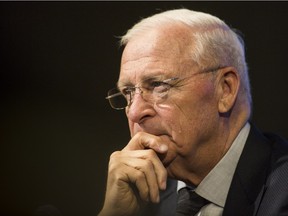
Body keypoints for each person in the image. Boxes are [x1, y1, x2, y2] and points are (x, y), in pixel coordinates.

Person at [99, 8, 288, 216]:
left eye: (158, 85)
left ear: (225, 89)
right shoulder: (140, 198)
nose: (135, 112)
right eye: (128, 92)